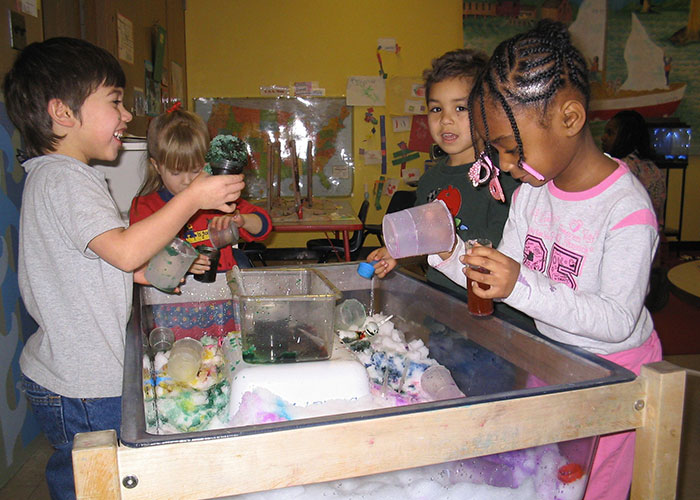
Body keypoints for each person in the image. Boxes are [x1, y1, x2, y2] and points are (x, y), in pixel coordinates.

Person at [3, 37, 244, 500]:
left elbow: (94, 263)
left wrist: (155, 272)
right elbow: (124, 250)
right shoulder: (66, 180)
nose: (128, 115)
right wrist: (194, 197)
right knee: (99, 484)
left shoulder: (57, 177)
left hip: (77, 375)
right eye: (115, 101)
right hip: (83, 383)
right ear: (63, 113)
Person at [432, 21, 662, 500]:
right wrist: (449, 253)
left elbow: (616, 319)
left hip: (613, 373)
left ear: (570, 119)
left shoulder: (626, 210)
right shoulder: (533, 195)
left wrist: (519, 285)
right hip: (553, 357)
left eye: (512, 149)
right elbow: (504, 276)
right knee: (549, 474)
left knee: (594, 484)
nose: (507, 165)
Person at [367, 48, 519, 296]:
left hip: (490, 310)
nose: (446, 120)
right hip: (441, 303)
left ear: (487, 110)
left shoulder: (502, 177)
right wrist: (398, 253)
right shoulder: (430, 180)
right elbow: (424, 243)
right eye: (436, 109)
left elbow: (500, 257)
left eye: (460, 108)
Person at [129, 108, 272, 273]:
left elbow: (264, 226)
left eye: (195, 170)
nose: (187, 181)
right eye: (176, 172)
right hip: (175, 293)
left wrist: (242, 220)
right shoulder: (145, 207)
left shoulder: (218, 198)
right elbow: (139, 256)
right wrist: (180, 264)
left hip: (222, 287)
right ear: (157, 166)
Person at [600, 110, 666, 227]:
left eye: (610, 133)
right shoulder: (653, 168)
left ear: (626, 136)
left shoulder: (622, 168)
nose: (603, 138)